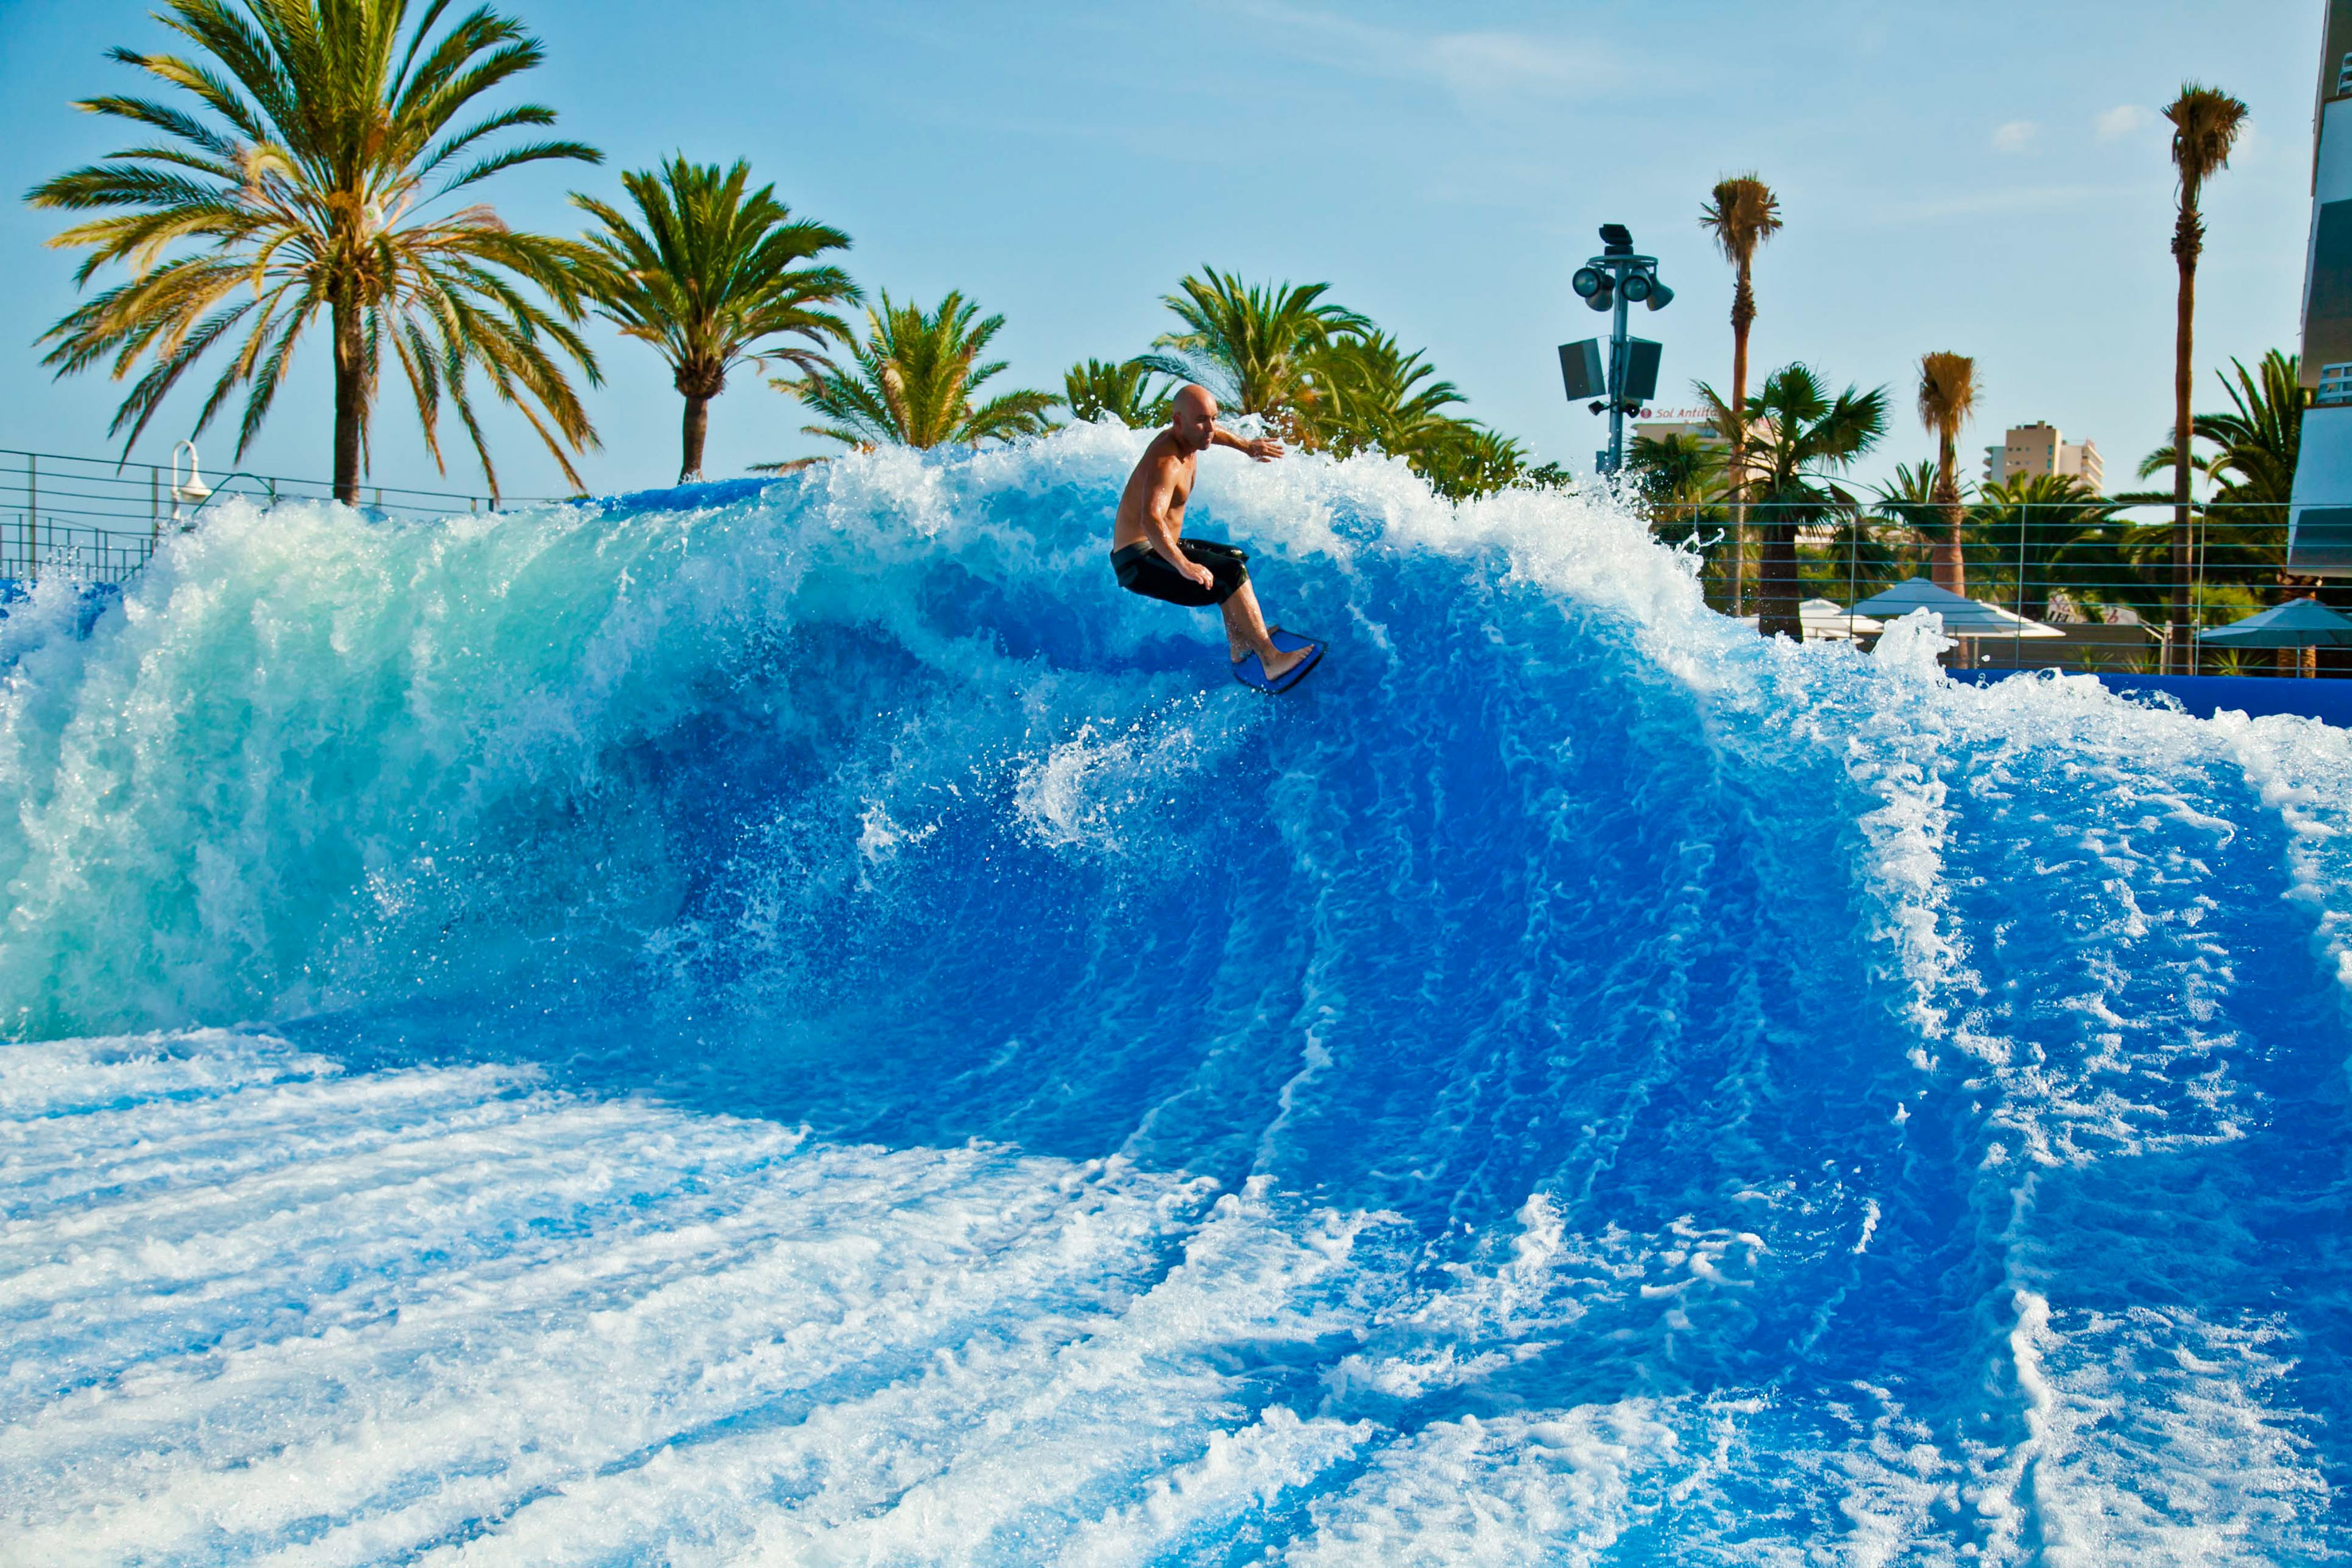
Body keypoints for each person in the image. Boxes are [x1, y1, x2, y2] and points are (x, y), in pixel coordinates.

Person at [1109, 384, 1313, 682]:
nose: (1210, 428)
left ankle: (1240, 642)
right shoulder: (1167, 461)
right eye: (1201, 420)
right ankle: (1270, 658)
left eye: (1214, 418)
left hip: (1158, 547)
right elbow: (1151, 519)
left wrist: (1248, 447)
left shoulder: (1190, 438)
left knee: (1233, 558)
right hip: (1138, 561)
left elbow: (1213, 434)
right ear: (1178, 421)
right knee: (1230, 573)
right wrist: (1184, 564)